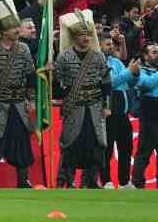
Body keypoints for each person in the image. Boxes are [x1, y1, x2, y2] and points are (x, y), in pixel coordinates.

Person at [52, 24, 112, 190]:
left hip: (94, 105)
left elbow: (106, 83)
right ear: (74, 37)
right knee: (71, 144)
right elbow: (57, 86)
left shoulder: (98, 56)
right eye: (82, 35)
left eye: (88, 35)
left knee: (95, 143)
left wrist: (107, 105)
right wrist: (51, 74)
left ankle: (91, 180)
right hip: (74, 106)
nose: (86, 39)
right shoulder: (64, 57)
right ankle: (68, 180)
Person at [0, 22, 36, 189]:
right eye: (14, 28)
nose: (17, 31)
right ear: (4, 30)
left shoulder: (24, 49)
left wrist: (32, 99)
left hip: (18, 103)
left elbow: (30, 76)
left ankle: (23, 179)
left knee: (21, 141)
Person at [118, 44, 158, 188]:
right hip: (150, 112)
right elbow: (146, 84)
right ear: (146, 56)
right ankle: (137, 182)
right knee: (144, 151)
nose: (157, 54)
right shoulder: (140, 71)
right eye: (154, 52)